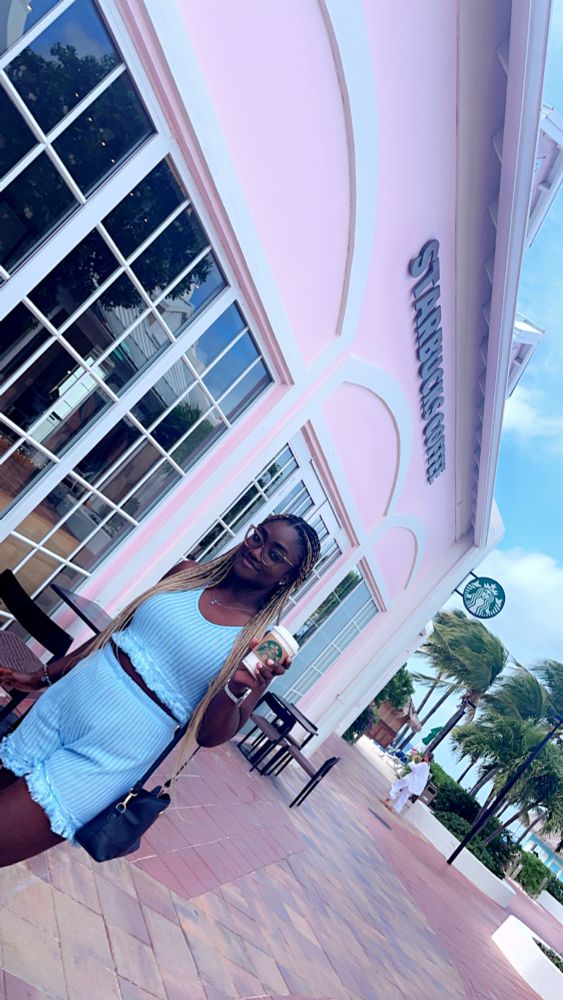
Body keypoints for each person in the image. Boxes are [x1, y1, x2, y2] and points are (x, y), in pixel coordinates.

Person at [0, 514, 320, 867]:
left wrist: (235, 688)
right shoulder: (186, 574)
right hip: (62, 707)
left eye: (275, 554)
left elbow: (211, 735)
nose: (257, 551)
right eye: (258, 537)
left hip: (111, 754)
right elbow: (111, 637)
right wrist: (41, 677)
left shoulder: (258, 644)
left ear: (288, 577)